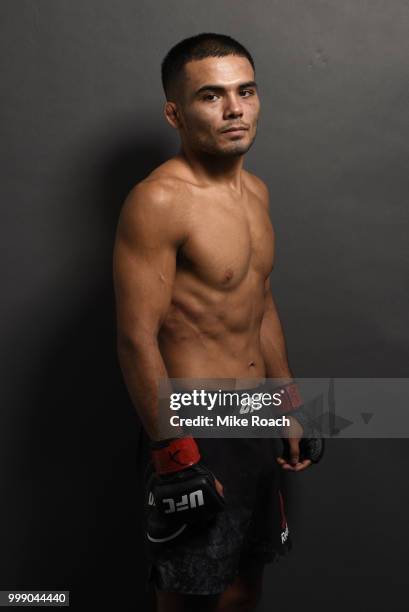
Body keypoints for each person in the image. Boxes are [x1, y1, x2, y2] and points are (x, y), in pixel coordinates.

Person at [113, 33, 323, 612]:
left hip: (252, 415)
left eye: (245, 91)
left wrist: (286, 402)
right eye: (212, 96)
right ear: (175, 113)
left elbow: (260, 302)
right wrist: (172, 451)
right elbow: (136, 336)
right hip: (195, 424)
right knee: (189, 596)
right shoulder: (159, 201)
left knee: (244, 589)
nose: (235, 109)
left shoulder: (255, 192)